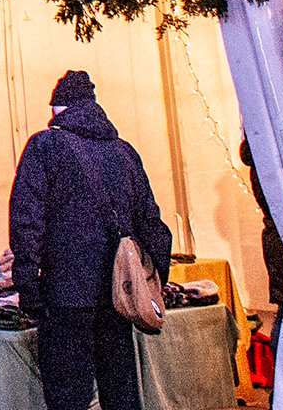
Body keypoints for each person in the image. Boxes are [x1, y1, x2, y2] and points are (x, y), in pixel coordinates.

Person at [10, 70, 174, 410]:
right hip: (119, 294)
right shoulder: (125, 153)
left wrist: (27, 284)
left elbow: (28, 220)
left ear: (59, 109)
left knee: (69, 395)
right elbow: (153, 224)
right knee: (120, 391)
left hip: (65, 296)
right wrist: (152, 279)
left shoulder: (45, 146)